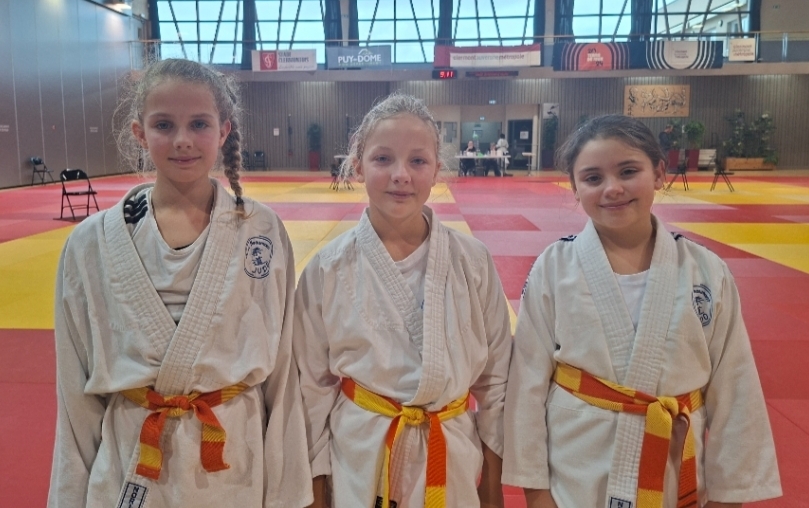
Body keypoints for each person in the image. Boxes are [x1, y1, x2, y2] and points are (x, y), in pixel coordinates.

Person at [48, 59, 312, 508]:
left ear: (224, 131)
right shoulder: (90, 244)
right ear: (140, 133)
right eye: (164, 125)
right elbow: (74, 392)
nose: (183, 140)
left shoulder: (262, 232)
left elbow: (283, 374)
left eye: (199, 124)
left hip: (234, 461)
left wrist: (289, 494)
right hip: (130, 458)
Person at [502, 115, 781, 508]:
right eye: (593, 178)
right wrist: (535, 491)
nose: (612, 188)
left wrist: (728, 495)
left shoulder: (705, 270)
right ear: (575, 188)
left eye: (628, 171)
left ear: (660, 173)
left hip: (674, 470)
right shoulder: (554, 267)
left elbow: (736, 388)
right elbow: (526, 383)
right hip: (576, 472)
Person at [293, 93, 511, 508]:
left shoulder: (472, 261)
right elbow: (311, 390)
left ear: (436, 169)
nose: (401, 175)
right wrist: (317, 492)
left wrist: (493, 486)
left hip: (451, 458)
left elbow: (496, 381)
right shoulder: (328, 267)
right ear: (358, 166)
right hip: (360, 457)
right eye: (382, 159)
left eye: (417, 161)